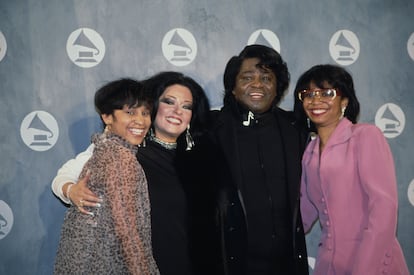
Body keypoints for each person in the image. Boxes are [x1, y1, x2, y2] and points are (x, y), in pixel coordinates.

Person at [51, 72, 213, 275]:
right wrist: (70, 190)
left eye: (186, 106)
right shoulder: (123, 150)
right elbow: (65, 175)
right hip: (140, 263)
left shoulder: (201, 157)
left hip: (188, 261)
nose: (177, 111)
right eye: (168, 102)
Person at [293, 64, 409, 274]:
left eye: (327, 92)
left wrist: (364, 269)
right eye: (308, 94)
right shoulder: (309, 151)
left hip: (372, 263)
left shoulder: (365, 136)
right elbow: (304, 212)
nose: (315, 100)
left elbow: (384, 208)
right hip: (328, 265)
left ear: (344, 100)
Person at [208, 44, 309, 275]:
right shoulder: (210, 129)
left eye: (266, 78)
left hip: (287, 264)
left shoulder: (296, 129)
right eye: (247, 77)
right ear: (233, 87)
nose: (257, 84)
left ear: (277, 89)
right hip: (231, 264)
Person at [54, 78, 159, 274]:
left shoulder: (104, 148)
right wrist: (70, 190)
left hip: (83, 260)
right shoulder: (120, 157)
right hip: (104, 262)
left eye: (145, 113)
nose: (141, 120)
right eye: (130, 112)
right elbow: (127, 230)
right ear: (107, 117)